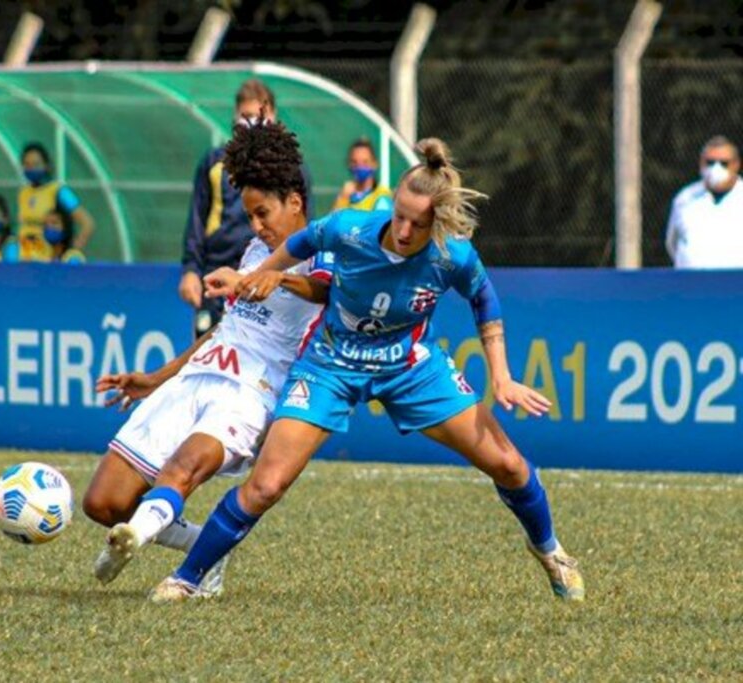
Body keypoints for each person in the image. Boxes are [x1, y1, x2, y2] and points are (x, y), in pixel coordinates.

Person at [151, 138, 585, 604]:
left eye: (417, 223)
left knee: (510, 465)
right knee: (266, 484)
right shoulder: (350, 228)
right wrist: (256, 276)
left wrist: (500, 376)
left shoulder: (451, 255)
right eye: (399, 215)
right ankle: (187, 578)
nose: (402, 230)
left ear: (436, 222)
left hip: (408, 365)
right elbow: (299, 242)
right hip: (331, 363)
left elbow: (484, 299)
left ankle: (551, 552)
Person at [82, 119, 331, 596]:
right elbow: (226, 327)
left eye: (263, 213)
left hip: (249, 394)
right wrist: (156, 378)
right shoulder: (257, 249)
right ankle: (206, 548)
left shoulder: (326, 248)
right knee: (103, 501)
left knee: (185, 466)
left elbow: (328, 292)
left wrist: (280, 278)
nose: (256, 226)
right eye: (250, 216)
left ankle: (146, 545)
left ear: (295, 202)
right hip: (200, 375)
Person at [179, 79, 313, 338]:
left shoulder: (291, 168)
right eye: (245, 116)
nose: (252, 121)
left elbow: (306, 226)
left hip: (273, 272)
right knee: (213, 343)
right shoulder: (214, 162)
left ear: (272, 116)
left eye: (258, 115)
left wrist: (283, 274)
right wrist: (190, 271)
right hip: (218, 270)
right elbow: (196, 219)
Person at [665, 135, 743, 269]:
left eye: (724, 163)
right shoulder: (685, 199)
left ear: (736, 165)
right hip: (692, 284)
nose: (716, 168)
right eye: (710, 163)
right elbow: (672, 243)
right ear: (701, 163)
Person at [16, 142, 94, 263]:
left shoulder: (59, 191)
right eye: (27, 165)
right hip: (24, 257)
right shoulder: (24, 193)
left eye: (36, 164)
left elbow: (87, 223)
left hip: (47, 259)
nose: (31, 168)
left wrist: (72, 250)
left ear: (46, 165)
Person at [331, 138, 394, 212]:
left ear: (375, 164)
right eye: (355, 162)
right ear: (349, 164)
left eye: (365, 162)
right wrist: (342, 199)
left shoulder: (382, 196)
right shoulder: (345, 195)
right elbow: (333, 221)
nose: (360, 167)